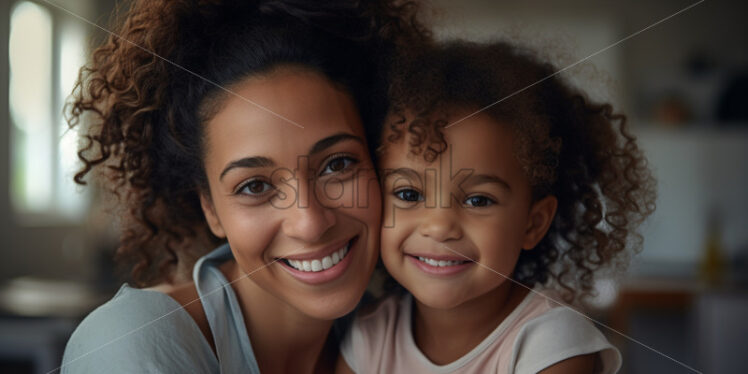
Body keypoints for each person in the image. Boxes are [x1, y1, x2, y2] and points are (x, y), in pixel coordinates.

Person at [61, 0, 429, 372]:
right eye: (255, 187)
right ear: (210, 209)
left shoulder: (395, 339)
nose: (310, 223)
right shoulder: (130, 342)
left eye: (338, 164)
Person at [338, 40, 657, 373]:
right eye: (408, 195)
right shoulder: (370, 335)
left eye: (478, 200)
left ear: (533, 224)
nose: (438, 226)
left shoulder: (554, 345)